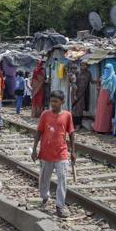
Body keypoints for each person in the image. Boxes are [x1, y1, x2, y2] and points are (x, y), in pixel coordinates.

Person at [31, 90, 76, 218]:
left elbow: (72, 133)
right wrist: (34, 149)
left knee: (62, 180)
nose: (53, 104)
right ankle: (44, 197)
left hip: (61, 153)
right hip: (46, 153)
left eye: (56, 101)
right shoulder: (45, 115)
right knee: (44, 179)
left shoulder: (67, 115)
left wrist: (73, 151)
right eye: (51, 101)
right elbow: (39, 132)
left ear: (62, 102)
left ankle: (59, 206)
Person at [93, 63, 116, 134]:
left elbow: (114, 88)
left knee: (106, 113)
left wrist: (111, 97)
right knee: (100, 112)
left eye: (108, 68)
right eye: (105, 68)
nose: (106, 70)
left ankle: (105, 129)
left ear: (111, 69)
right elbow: (99, 84)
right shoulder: (103, 77)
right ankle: (98, 128)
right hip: (101, 96)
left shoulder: (114, 77)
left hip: (108, 96)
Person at [72, 62, 92, 129]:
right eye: (81, 65)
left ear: (87, 66)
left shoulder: (88, 73)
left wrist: (99, 81)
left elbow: (91, 81)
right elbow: (73, 82)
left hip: (83, 94)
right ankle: (73, 124)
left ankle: (78, 125)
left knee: (80, 110)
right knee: (74, 109)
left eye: (84, 65)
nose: (83, 66)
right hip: (75, 93)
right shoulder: (77, 73)